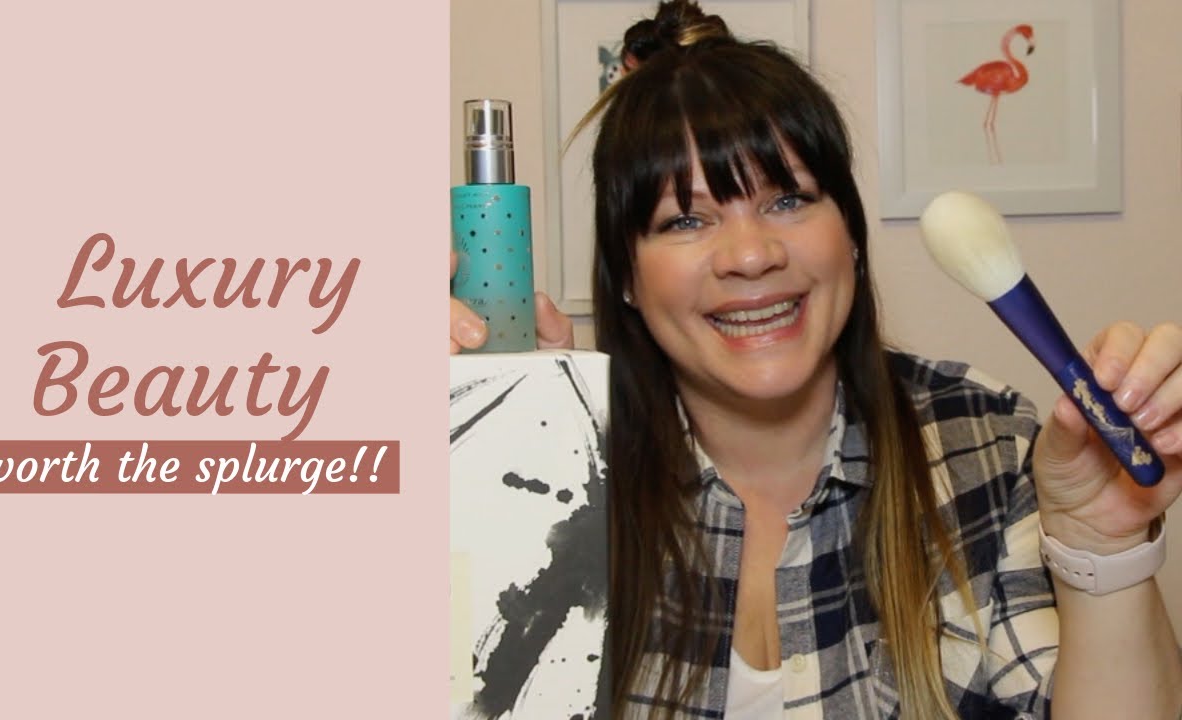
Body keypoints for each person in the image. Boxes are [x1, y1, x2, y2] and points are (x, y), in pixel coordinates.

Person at [450, 2, 1182, 717]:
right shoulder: (553, 475)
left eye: (788, 201)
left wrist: (1103, 548)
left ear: (852, 238)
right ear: (627, 279)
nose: (750, 256)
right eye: (687, 219)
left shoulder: (985, 443)